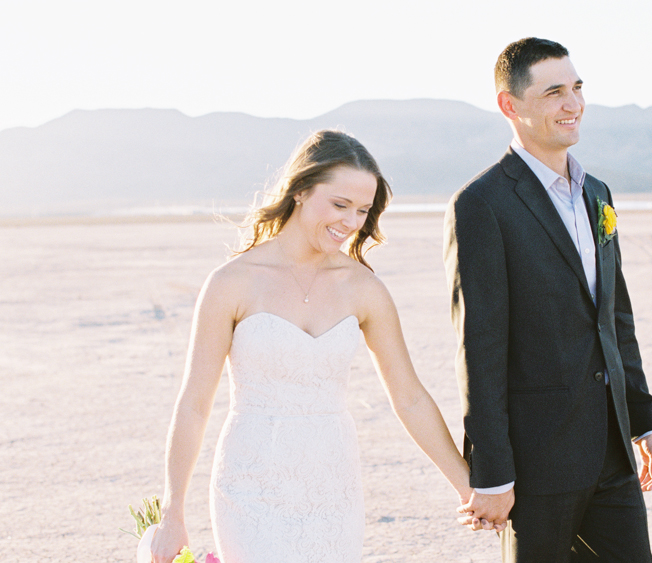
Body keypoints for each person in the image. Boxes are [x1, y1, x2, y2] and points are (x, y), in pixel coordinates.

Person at [149, 130, 472, 563]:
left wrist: (468, 486)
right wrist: (173, 511)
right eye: (340, 205)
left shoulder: (364, 288)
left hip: (332, 487)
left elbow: (410, 397)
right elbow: (193, 404)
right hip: (249, 485)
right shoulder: (231, 282)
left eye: (362, 210)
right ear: (300, 189)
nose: (352, 222)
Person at [443, 38, 652, 561]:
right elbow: (478, 348)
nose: (573, 104)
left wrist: (644, 418)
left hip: (612, 453)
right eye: (553, 93)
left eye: (576, 88)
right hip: (536, 465)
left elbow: (614, 317)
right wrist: (492, 472)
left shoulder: (598, 194)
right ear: (510, 105)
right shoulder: (482, 205)